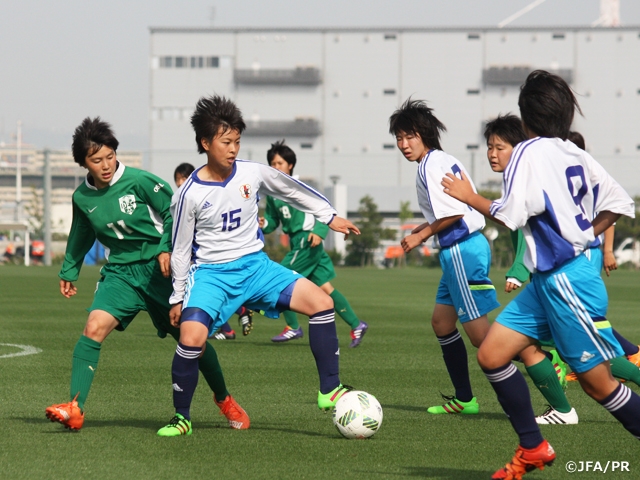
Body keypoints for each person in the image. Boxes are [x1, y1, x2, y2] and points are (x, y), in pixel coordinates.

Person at [442, 70, 638, 479]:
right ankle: (532, 447)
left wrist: (468, 196)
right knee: (492, 354)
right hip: (547, 280)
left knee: (598, 384)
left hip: (567, 282)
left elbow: (511, 215)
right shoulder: (574, 152)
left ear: (526, 116)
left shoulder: (527, 153)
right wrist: (586, 234)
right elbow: (620, 200)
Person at [157, 95, 360, 437]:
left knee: (322, 304)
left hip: (257, 268)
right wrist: (177, 297)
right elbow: (179, 250)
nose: (233, 148)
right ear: (205, 143)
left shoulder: (252, 172)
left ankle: (330, 390)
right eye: (225, 142)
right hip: (212, 276)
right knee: (191, 339)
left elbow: (292, 190)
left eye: (237, 141)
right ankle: (182, 418)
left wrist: (329, 216)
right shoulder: (188, 193)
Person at [45, 117, 249, 432]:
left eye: (110, 156)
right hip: (120, 273)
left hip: (159, 270)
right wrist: (69, 270)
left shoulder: (139, 181)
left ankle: (224, 399)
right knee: (94, 327)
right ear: (83, 163)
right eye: (96, 160)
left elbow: (174, 211)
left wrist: (165, 248)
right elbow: (80, 233)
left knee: (192, 340)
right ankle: (75, 407)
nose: (105, 165)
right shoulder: (82, 198)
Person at [389, 98, 500, 415]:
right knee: (441, 322)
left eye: (410, 136)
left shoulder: (430, 166)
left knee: (483, 339)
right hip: (459, 251)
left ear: (424, 134)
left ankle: (545, 359)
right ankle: (465, 399)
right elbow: (449, 210)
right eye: (399, 138)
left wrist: (420, 235)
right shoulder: (439, 160)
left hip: (463, 251)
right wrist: (421, 229)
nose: (403, 144)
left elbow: (453, 213)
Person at [484, 114, 578, 425]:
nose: (492, 153)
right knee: (528, 347)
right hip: (548, 279)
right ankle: (563, 412)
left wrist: (517, 271)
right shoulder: (520, 176)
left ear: (520, 148)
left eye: (500, 147)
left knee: (583, 353)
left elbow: (525, 228)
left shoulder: (525, 177)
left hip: (558, 278)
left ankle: (559, 415)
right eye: (489, 147)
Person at [260, 140, 368, 347]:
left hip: (307, 241)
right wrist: (264, 224)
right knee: (325, 288)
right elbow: (273, 221)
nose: (276, 168)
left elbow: (322, 208)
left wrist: (319, 231)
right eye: (272, 164)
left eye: (279, 163)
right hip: (297, 244)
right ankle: (356, 324)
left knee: (279, 278)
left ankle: (293, 327)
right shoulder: (273, 194)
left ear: (290, 165)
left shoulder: (299, 187)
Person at [174, 162, 254, 339]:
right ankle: (237, 315)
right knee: (210, 294)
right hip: (196, 256)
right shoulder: (184, 199)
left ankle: (226, 328)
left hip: (205, 259)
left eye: (183, 178)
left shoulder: (201, 196)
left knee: (205, 294)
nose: (180, 183)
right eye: (177, 180)